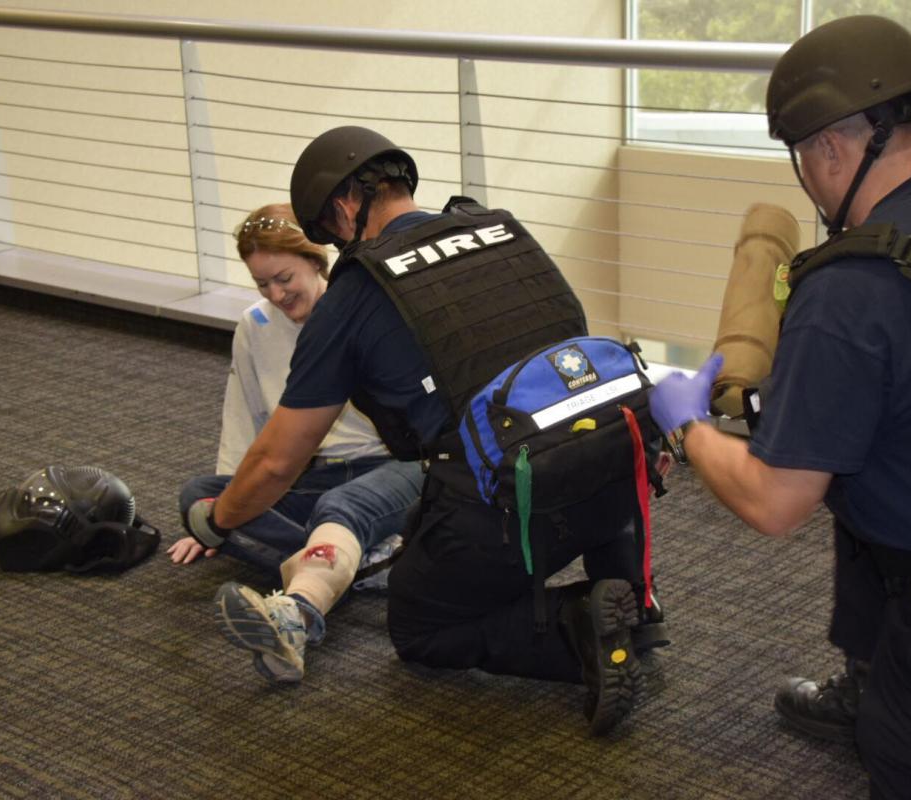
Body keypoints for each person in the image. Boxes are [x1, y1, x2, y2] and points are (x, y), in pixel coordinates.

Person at [649, 15, 911, 799]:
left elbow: (775, 502)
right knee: (854, 482)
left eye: (803, 162)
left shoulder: (851, 290)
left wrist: (687, 423)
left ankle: (898, 716)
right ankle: (869, 683)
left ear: (831, 150)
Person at [185, 125, 665, 735]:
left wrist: (220, 521)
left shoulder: (356, 294)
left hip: (509, 509)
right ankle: (633, 600)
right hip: (615, 475)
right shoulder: (502, 229)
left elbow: (278, 462)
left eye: (329, 236)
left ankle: (578, 624)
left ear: (343, 208)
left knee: (420, 628)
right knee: (574, 435)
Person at [175, 203, 422, 683]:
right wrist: (222, 512)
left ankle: (298, 613)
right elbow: (245, 418)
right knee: (198, 498)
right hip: (308, 473)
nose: (276, 293)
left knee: (341, 505)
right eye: (263, 284)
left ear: (315, 259)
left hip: (395, 467)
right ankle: (359, 561)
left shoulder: (362, 311)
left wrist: (231, 522)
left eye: (284, 277)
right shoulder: (255, 325)